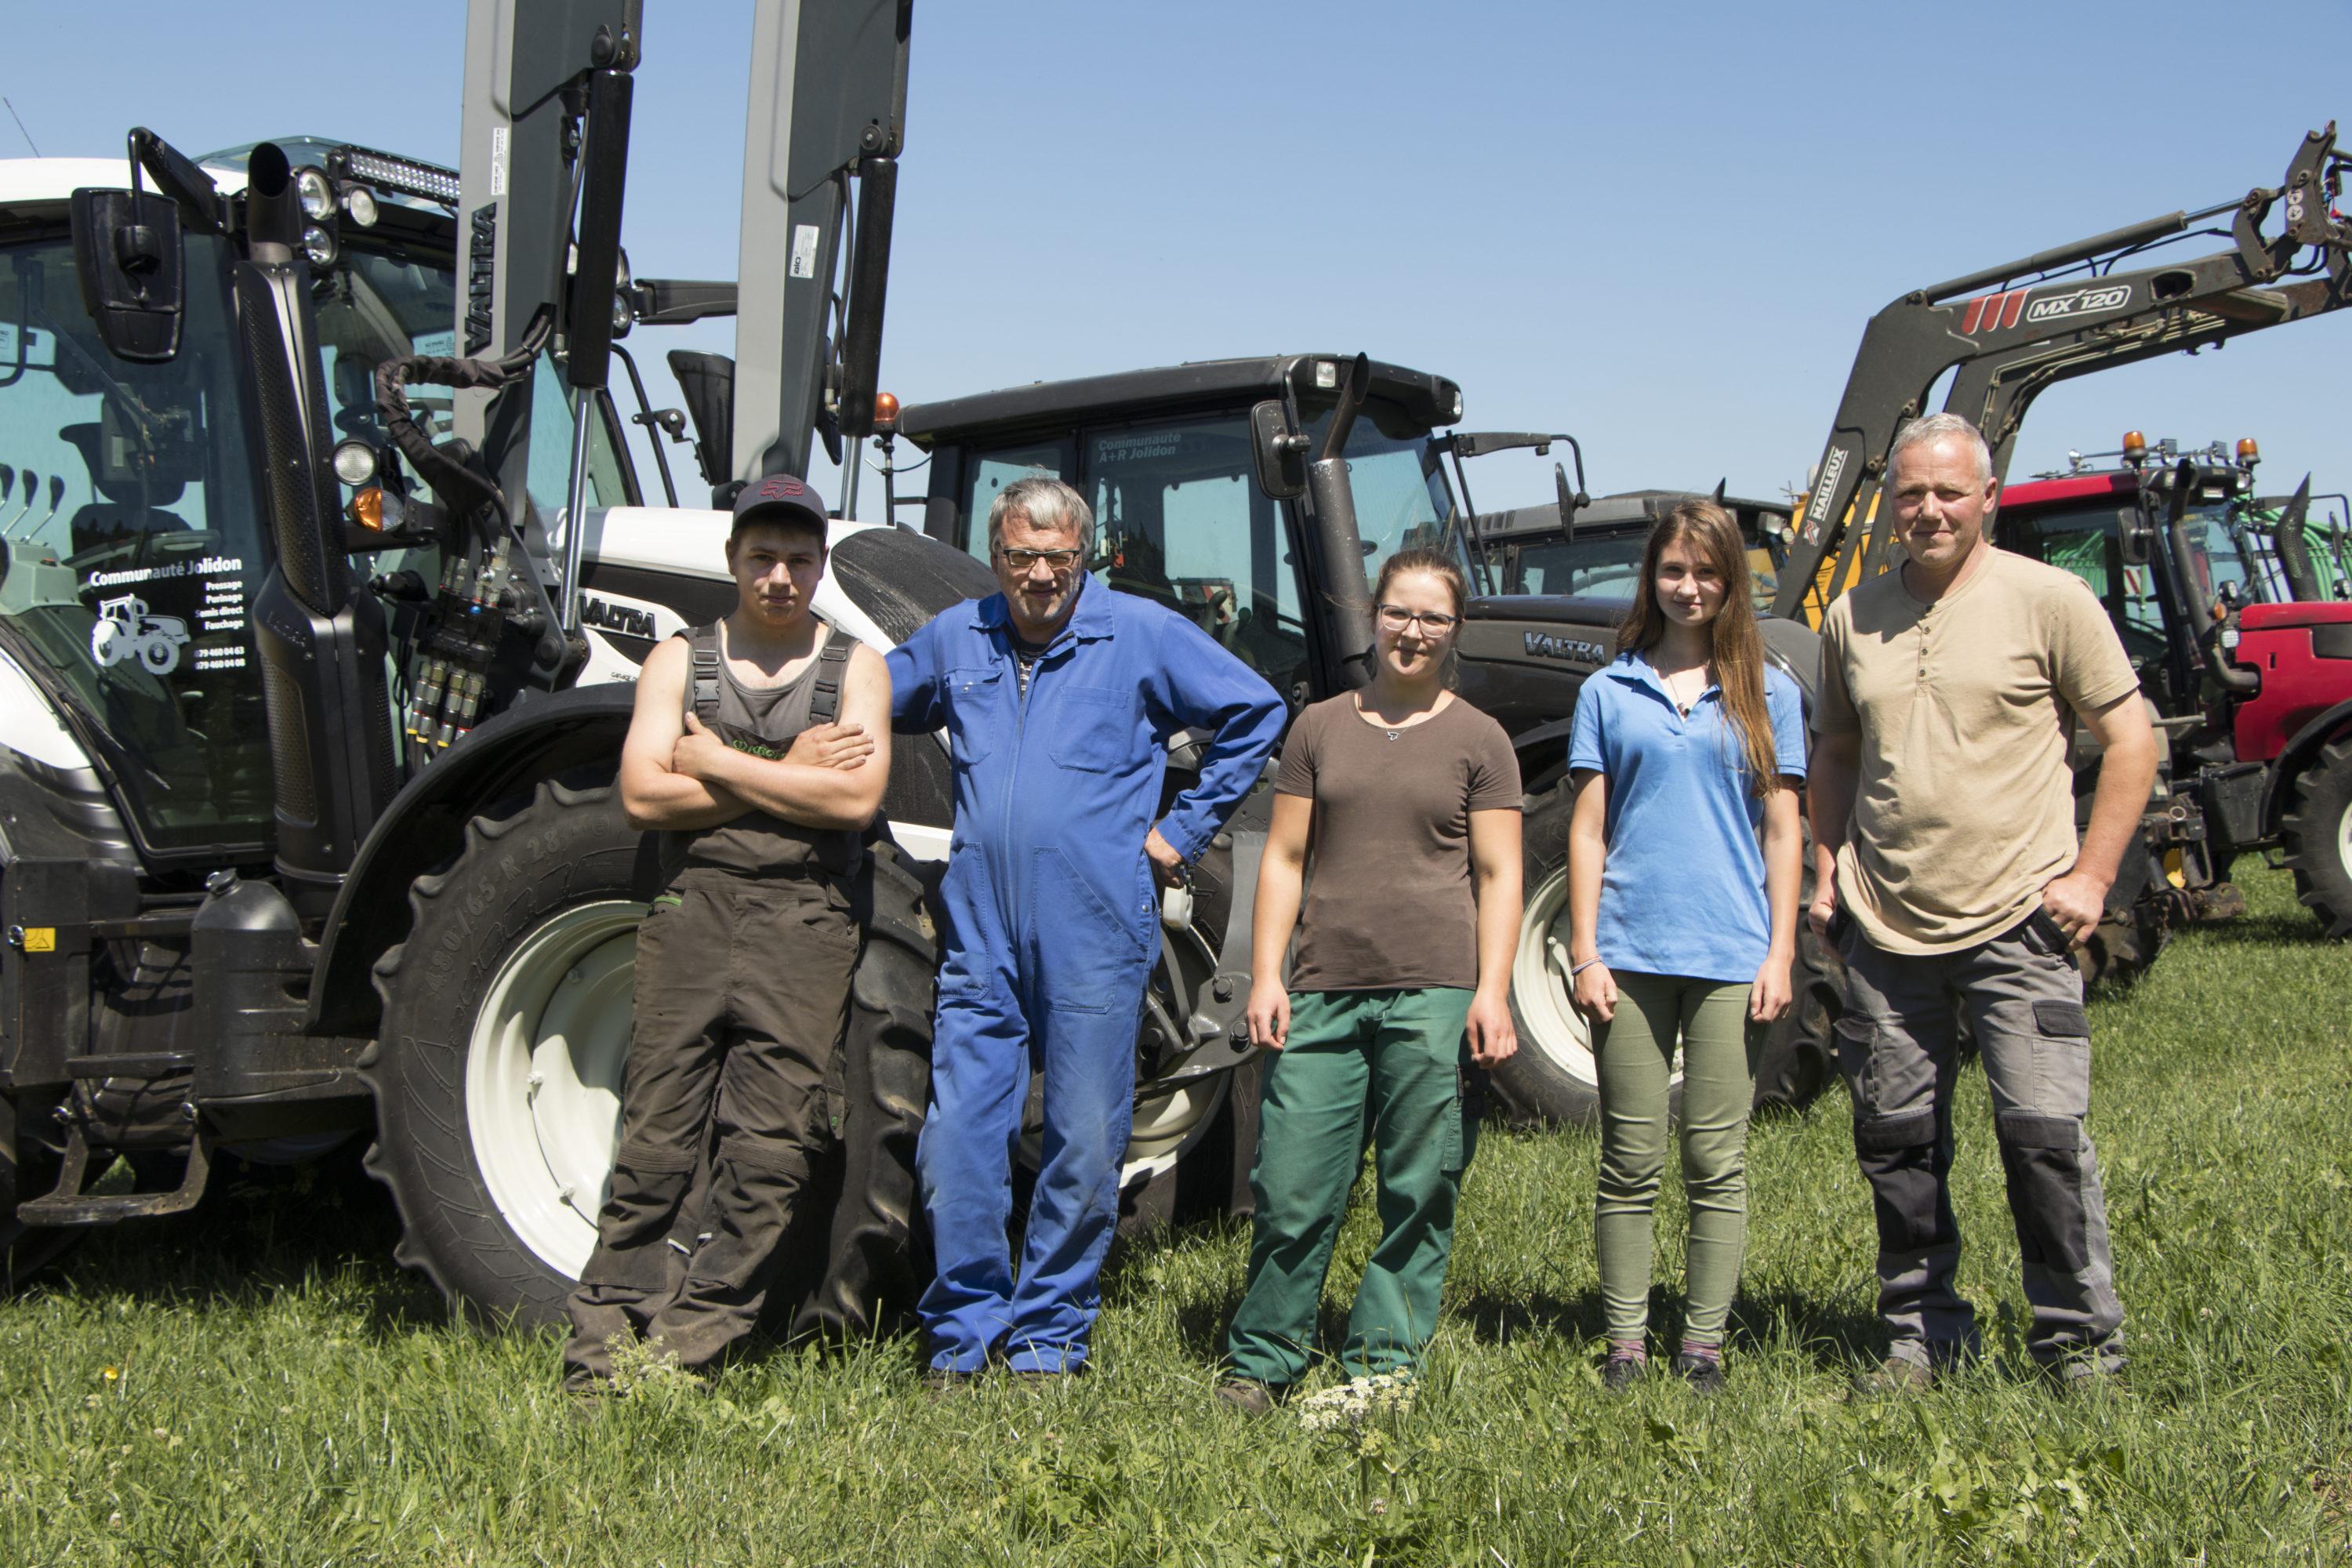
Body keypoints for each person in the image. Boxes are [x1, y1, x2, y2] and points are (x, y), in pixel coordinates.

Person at [887, 476, 1285, 1386]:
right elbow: (872, 696)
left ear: (1085, 555)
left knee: (1082, 1135)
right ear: (997, 557)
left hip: (1097, 928)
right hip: (981, 929)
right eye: (1022, 556)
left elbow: (1256, 709)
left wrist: (1177, 834)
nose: (1040, 575)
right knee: (959, 1139)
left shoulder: (1137, 633)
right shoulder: (960, 635)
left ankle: (1048, 1336)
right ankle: (964, 1330)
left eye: (1058, 557)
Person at [1809, 412, 2157, 1392]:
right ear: (1889, 506)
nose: (1928, 510)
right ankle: (1923, 1336)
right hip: (1885, 924)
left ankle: (2080, 1345)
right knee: (1898, 1145)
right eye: (1910, 493)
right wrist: (1828, 866)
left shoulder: (2050, 599)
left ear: (1987, 498)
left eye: (1948, 493)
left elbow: (2131, 739)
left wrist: (2090, 877)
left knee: (2044, 1142)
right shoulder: (1852, 616)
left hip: (2020, 920)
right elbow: (1837, 751)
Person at [563, 474, 892, 1393]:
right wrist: (786, 765)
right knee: (654, 1140)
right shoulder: (680, 659)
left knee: (769, 1152)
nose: (780, 576)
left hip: (804, 922)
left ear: (820, 563)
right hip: (691, 912)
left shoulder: (857, 667)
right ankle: (597, 1355)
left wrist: (708, 758)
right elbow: (640, 795)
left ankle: (683, 1353)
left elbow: (856, 799)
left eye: (797, 558)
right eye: (762, 558)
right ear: (733, 561)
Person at [1219, 548, 1523, 1412]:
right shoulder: (1318, 728)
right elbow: (1282, 857)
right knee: (1292, 1180)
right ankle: (1265, 1356)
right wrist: (1266, 973)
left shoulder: (1480, 740)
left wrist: (1492, 990)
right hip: (1322, 984)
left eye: (1432, 617)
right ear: (1372, 615)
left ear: (1454, 630)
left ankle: (1383, 1361)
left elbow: (1500, 875)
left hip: (1434, 985)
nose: (1413, 631)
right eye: (1399, 612)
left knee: (1420, 1181)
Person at [1563, 500, 1806, 1396]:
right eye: (1674, 570)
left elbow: (1786, 829)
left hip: (1730, 953)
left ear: (1731, 582)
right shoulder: (1607, 690)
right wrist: (1585, 949)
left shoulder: (1767, 692)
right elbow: (1587, 830)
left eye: (1707, 572)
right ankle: (1624, 1340)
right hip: (1628, 952)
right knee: (1629, 1159)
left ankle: (1702, 1343)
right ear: (1652, 578)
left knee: (1716, 1157)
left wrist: (1781, 949)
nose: (1690, 586)